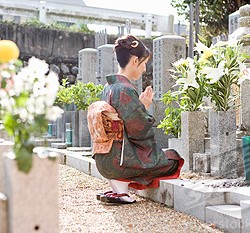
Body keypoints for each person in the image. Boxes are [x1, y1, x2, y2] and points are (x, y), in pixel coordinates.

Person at [87, 34, 184, 204]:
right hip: (120, 161)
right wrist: (144, 108)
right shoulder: (125, 89)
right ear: (134, 60)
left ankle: (118, 186)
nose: (145, 69)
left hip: (103, 158)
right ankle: (121, 184)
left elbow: (124, 121)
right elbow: (137, 130)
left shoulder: (108, 88)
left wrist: (138, 107)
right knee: (173, 159)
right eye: (144, 63)